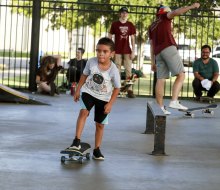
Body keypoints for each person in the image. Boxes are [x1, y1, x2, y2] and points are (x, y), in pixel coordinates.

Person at [67, 37, 121, 160]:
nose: (100, 53)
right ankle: (76, 141)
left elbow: (117, 88)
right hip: (88, 92)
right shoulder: (91, 62)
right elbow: (84, 75)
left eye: (105, 51)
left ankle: (97, 150)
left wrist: (110, 104)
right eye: (98, 50)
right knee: (83, 112)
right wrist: (78, 89)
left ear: (112, 54)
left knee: (100, 125)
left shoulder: (113, 70)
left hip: (104, 98)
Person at [148, 3, 200, 115]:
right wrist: (191, 6)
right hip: (168, 48)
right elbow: (177, 12)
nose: (169, 10)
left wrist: (153, 62)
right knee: (181, 74)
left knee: (160, 79)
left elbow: (152, 45)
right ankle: (174, 101)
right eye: (167, 9)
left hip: (158, 53)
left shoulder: (151, 26)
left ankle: (160, 107)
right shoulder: (164, 16)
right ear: (162, 11)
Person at [109, 7, 136, 98]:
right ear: (120, 14)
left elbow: (132, 38)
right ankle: (118, 89)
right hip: (117, 50)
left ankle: (129, 90)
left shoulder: (130, 25)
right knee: (117, 70)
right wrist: (110, 49)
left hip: (127, 50)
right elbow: (110, 36)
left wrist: (133, 51)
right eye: (123, 13)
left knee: (129, 70)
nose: (124, 14)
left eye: (126, 13)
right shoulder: (115, 24)